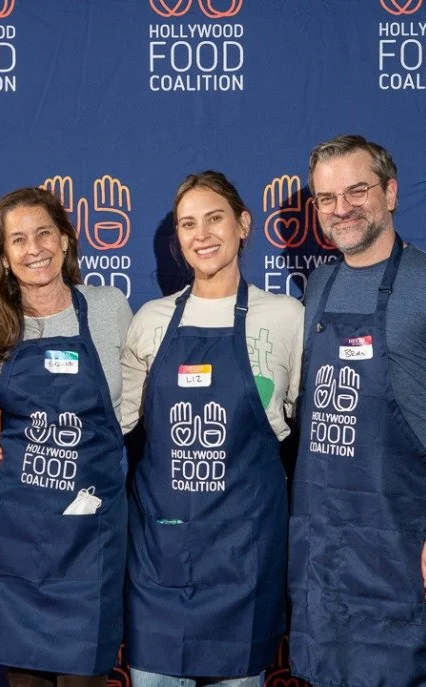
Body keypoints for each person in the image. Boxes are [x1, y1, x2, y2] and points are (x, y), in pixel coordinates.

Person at [288, 135, 426, 687]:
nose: (341, 208)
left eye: (357, 190)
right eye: (326, 198)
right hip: (322, 550)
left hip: (399, 547)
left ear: (391, 192)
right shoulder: (318, 287)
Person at [120, 172, 303, 687]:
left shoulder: (287, 317)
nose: (201, 234)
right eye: (187, 224)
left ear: (244, 224)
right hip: (160, 563)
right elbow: (118, 424)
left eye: (215, 218)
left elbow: (309, 429)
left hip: (244, 564)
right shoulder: (151, 320)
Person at [0, 187, 132, 687]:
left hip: (91, 537)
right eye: (17, 240)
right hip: (18, 536)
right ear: (2, 256)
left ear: (65, 240)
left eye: (44, 233)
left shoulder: (109, 308)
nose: (33, 248)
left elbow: (132, 411)